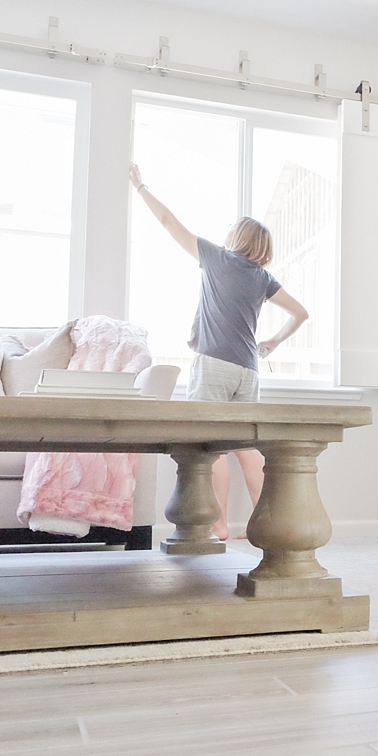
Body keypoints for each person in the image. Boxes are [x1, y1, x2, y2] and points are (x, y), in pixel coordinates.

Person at [129, 163, 308, 541]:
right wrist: (274, 341)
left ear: (236, 237)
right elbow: (301, 313)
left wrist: (141, 186)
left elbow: (167, 221)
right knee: (246, 449)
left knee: (211, 448)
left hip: (215, 366)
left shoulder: (217, 258)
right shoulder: (263, 278)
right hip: (249, 370)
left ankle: (219, 525)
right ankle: (269, 528)